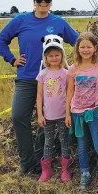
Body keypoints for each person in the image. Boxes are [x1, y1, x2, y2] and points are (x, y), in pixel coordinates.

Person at [0, 0, 79, 175]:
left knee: (47, 119)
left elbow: (78, 42)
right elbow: (0, 40)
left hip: (53, 80)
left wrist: (91, 58)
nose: (43, 2)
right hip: (26, 78)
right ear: (34, 1)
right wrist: (12, 59)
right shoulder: (21, 20)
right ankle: (27, 162)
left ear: (51, 2)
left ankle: (43, 162)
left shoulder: (59, 22)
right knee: (18, 116)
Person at [65, 31, 98, 190]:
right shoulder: (73, 69)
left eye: (89, 47)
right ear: (77, 49)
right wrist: (67, 113)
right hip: (77, 113)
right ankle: (85, 173)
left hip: (95, 112)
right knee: (82, 145)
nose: (85, 50)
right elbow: (69, 92)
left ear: (95, 48)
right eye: (82, 47)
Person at [36, 34, 72, 183]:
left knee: (65, 141)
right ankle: (46, 169)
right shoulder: (42, 74)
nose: (54, 58)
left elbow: (70, 94)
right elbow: (39, 97)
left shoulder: (66, 73)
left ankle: (65, 169)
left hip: (64, 115)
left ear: (62, 55)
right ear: (45, 57)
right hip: (48, 116)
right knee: (48, 142)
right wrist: (40, 114)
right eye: (50, 55)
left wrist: (69, 114)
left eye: (57, 55)